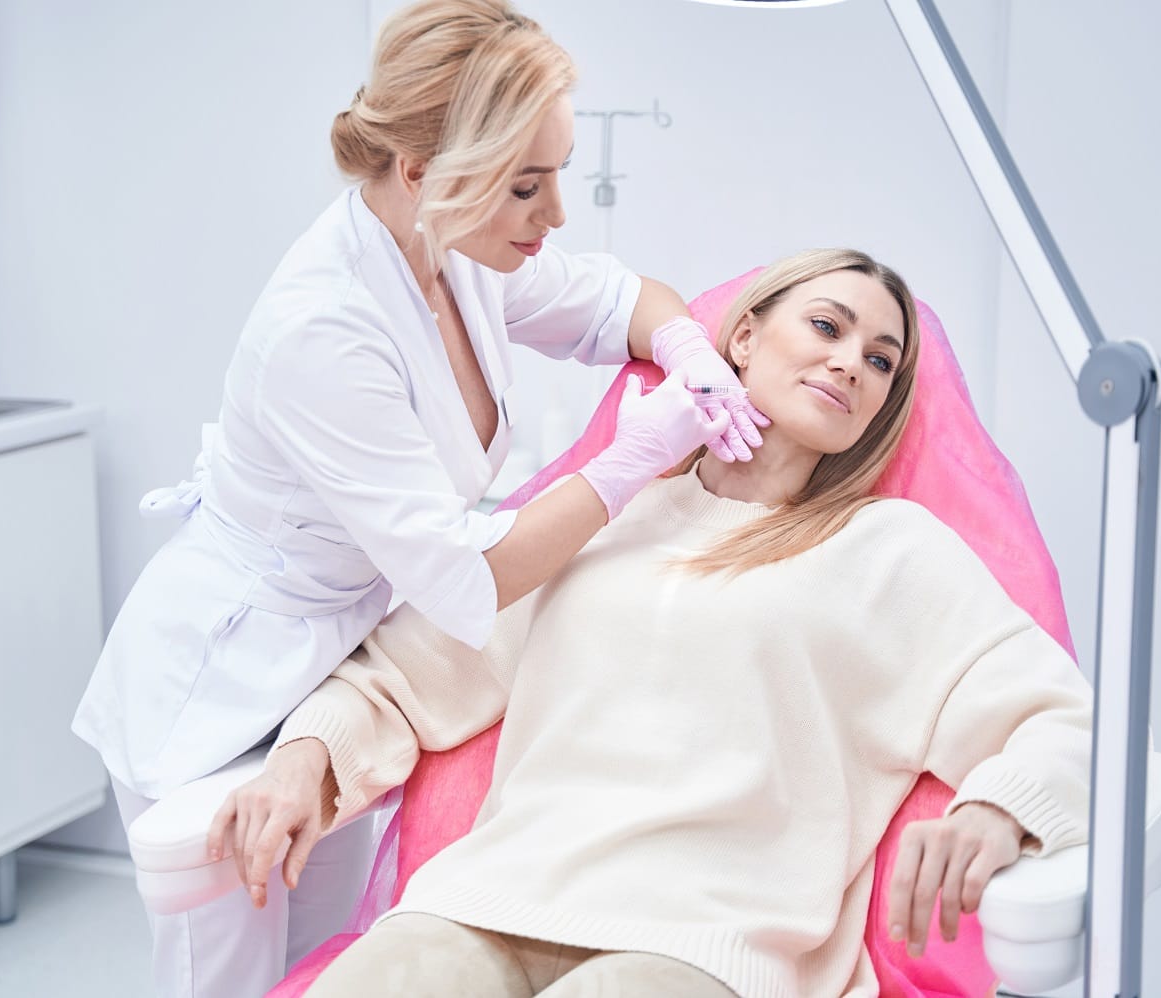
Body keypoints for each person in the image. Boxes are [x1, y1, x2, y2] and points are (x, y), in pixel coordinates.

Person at [71, 2, 768, 994]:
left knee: (321, 964)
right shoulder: (325, 329)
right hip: (226, 690)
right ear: (422, 173)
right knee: (223, 975)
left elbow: (619, 302)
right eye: (528, 185)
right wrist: (629, 460)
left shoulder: (451, 253)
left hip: (337, 677)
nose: (556, 213)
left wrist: (688, 346)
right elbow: (468, 571)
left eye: (558, 172)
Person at [212, 249, 1095, 998]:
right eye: (827, 328)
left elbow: (1061, 717)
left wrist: (996, 811)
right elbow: (405, 673)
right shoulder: (602, 515)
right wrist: (304, 757)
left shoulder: (894, 553)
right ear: (742, 338)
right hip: (487, 900)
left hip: (706, 946)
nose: (850, 364)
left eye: (880, 360)